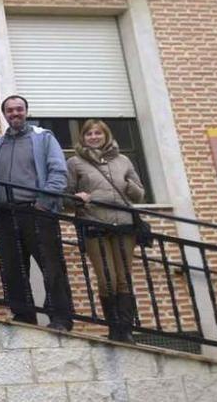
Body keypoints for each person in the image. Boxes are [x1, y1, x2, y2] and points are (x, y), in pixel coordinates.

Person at [0, 95, 73, 331]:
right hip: (6, 214)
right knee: (13, 269)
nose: (15, 114)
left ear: (26, 111)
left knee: (51, 267)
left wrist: (45, 202)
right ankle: (23, 315)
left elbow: (58, 171)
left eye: (19, 109)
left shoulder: (43, 138)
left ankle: (61, 318)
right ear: (4, 114)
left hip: (37, 212)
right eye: (10, 110)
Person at [67, 119, 145, 342]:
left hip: (124, 225)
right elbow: (66, 197)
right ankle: (113, 327)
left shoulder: (123, 160)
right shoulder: (75, 162)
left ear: (106, 135)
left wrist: (128, 185)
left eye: (97, 133)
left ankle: (126, 330)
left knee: (124, 278)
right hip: (94, 223)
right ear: (83, 138)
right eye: (89, 133)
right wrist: (77, 198)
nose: (93, 137)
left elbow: (139, 194)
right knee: (106, 278)